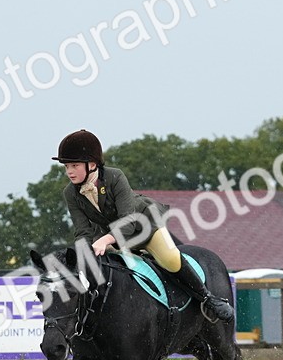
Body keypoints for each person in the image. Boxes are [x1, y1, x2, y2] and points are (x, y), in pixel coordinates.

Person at [53, 129, 234, 322]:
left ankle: (208, 299)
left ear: (92, 164)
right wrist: (83, 254)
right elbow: (83, 230)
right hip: (111, 235)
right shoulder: (70, 193)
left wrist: (106, 240)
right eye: (66, 167)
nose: (69, 171)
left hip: (143, 227)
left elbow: (129, 221)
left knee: (171, 258)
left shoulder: (115, 177)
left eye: (74, 165)